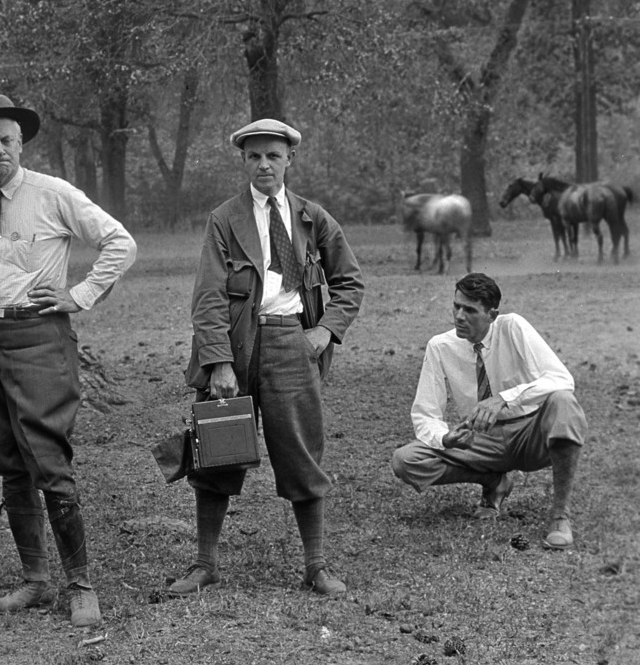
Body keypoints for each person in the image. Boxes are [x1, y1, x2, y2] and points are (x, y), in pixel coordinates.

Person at [0, 92, 136, 631]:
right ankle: (34, 579)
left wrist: (81, 293)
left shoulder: (54, 194)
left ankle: (81, 585)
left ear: (20, 144)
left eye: (7, 140)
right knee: (8, 460)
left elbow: (119, 243)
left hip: (41, 339)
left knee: (48, 459)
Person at [179, 117, 364, 599]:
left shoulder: (311, 217)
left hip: (292, 342)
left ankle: (316, 565)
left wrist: (324, 332)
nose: (264, 165)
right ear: (243, 161)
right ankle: (205, 564)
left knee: (301, 451)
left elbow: (350, 281)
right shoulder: (225, 218)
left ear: (289, 160)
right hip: (236, 344)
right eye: (254, 156)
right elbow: (208, 295)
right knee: (217, 449)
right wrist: (218, 361)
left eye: (273, 156)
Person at [391, 271, 586, 548]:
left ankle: (559, 517)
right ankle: (493, 480)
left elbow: (562, 379)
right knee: (406, 460)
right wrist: (444, 438)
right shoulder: (440, 346)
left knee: (563, 402)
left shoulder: (513, 327)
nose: (459, 316)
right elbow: (425, 414)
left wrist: (503, 398)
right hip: (480, 440)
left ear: (492, 315)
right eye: (456, 306)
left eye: (469, 310)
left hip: (528, 433)